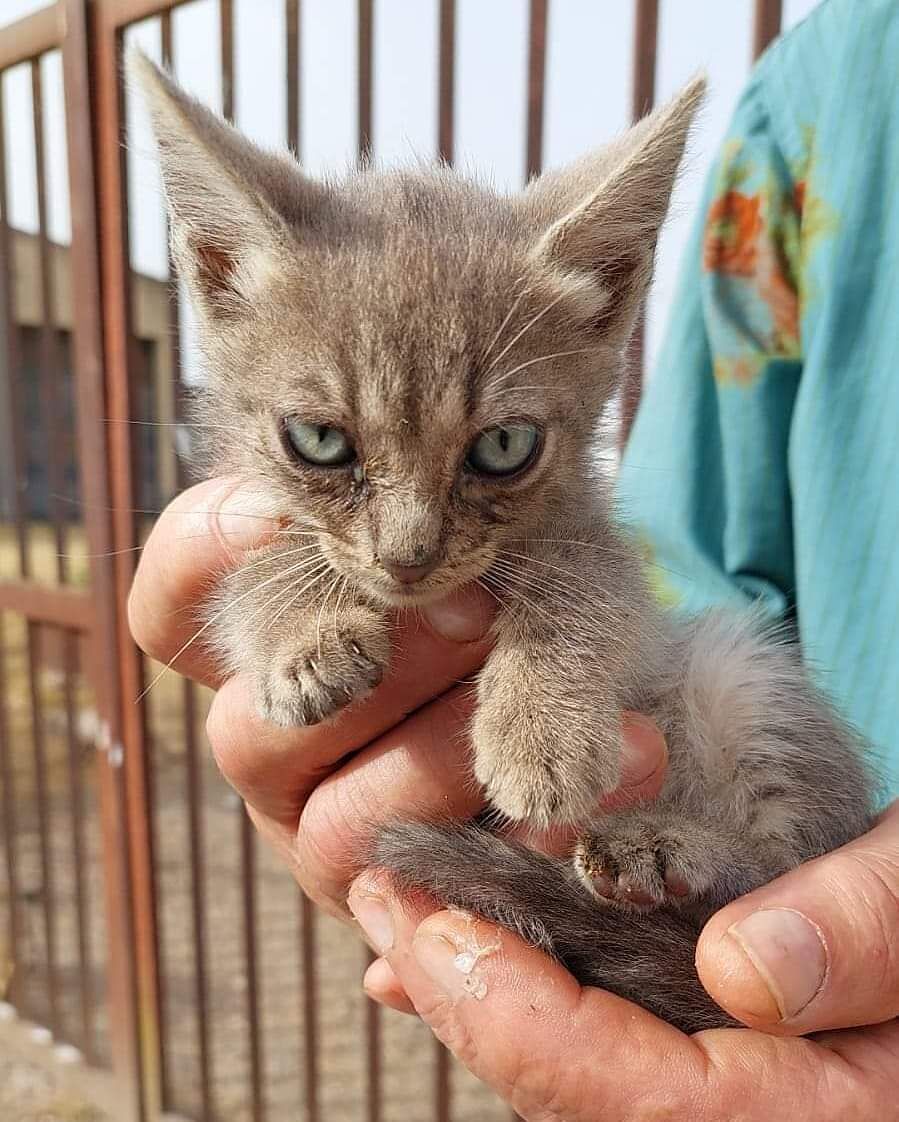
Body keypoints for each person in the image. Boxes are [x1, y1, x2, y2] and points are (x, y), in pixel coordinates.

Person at [130, 0, 899, 1115]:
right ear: (218, 279)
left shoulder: (565, 499)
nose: (407, 544)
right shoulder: (826, 95)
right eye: (323, 445)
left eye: (494, 451)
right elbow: (256, 606)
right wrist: (291, 634)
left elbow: (610, 570)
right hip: (629, 896)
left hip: (774, 858)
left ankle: (733, 867)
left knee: (739, 668)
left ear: (605, 302)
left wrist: (553, 659)